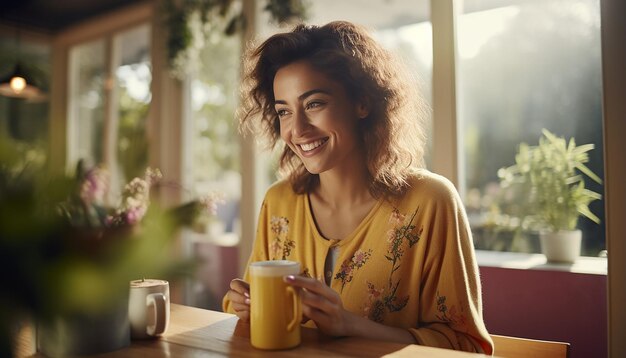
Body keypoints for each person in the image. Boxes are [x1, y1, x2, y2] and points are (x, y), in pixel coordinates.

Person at [223, 20, 493, 354]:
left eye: (314, 104)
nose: (298, 129)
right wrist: (244, 306)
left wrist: (349, 325)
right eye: (284, 112)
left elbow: (467, 348)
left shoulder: (430, 202)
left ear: (362, 103)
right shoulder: (279, 201)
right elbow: (246, 319)